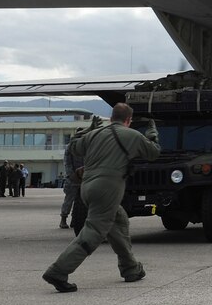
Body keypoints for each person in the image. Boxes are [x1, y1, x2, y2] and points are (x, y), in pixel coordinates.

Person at [42, 103, 160, 293]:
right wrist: (152, 133)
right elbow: (154, 152)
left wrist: (87, 130)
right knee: (94, 232)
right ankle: (58, 271)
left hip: (87, 188)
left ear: (111, 118)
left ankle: (130, 268)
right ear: (128, 120)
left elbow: (74, 148)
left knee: (119, 221)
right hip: (107, 190)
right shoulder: (132, 135)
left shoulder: (95, 134)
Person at [60, 131, 85, 229]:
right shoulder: (70, 147)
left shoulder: (86, 147)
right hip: (72, 179)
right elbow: (67, 163)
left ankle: (75, 220)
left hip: (84, 177)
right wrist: (72, 175)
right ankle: (63, 219)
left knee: (81, 201)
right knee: (69, 200)